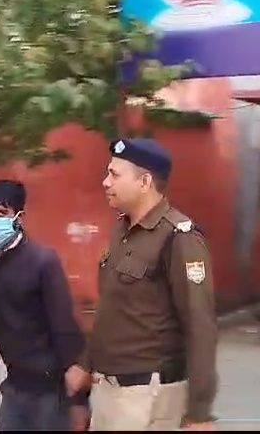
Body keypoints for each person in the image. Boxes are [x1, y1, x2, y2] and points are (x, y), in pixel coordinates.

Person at [75, 138, 218, 431]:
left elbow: (200, 327)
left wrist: (199, 413)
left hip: (148, 396)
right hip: (109, 391)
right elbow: (112, 308)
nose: (105, 182)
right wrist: (85, 364)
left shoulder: (179, 238)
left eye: (114, 175)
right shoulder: (122, 230)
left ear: (144, 182)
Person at [0, 180, 91, 431]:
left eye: (0, 213)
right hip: (15, 384)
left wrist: (78, 399)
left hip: (49, 389)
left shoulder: (42, 261)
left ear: (19, 217)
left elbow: (63, 325)